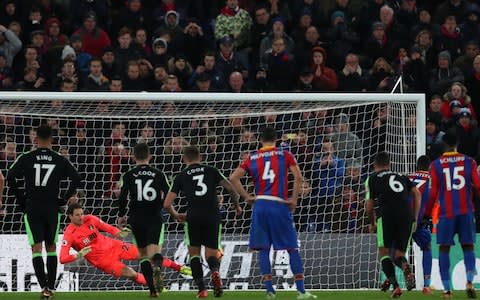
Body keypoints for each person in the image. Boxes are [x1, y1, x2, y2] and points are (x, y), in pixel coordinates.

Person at [230, 127, 317, 299]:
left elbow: (233, 178)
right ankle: (301, 291)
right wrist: (294, 199)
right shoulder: (285, 155)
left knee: (263, 248)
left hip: (260, 205)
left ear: (260, 140)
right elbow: (298, 177)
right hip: (278, 204)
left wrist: (247, 197)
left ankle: (269, 290)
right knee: (292, 248)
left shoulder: (252, 157)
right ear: (276, 140)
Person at [7, 124, 81, 298]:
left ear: (35, 138)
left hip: (33, 206)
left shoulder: (26, 157)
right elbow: (76, 178)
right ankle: (52, 287)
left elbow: (10, 176)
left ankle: (44, 288)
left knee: (36, 248)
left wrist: (21, 198)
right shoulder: (59, 158)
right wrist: (64, 198)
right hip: (51, 207)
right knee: (52, 247)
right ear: (52, 139)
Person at [164, 145, 241, 298]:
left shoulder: (181, 176)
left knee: (194, 255)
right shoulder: (211, 170)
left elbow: (166, 204)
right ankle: (215, 272)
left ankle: (202, 290)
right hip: (213, 216)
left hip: (193, 217)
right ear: (200, 157)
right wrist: (236, 206)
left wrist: (175, 214)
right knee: (211, 254)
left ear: (184, 159)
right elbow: (231, 189)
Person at [116, 143, 191, 297]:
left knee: (143, 255)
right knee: (155, 253)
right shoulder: (158, 173)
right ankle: (157, 267)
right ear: (150, 156)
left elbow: (122, 197)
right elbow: (169, 194)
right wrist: (174, 214)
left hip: (136, 218)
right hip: (155, 217)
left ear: (133, 156)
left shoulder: (128, 175)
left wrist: (121, 215)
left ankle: (152, 290)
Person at [425, 133, 479, 299]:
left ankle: (447, 290)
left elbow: (433, 193)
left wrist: (426, 213)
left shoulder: (435, 165)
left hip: (446, 213)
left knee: (443, 249)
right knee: (468, 247)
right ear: (457, 144)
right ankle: (469, 280)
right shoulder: (469, 161)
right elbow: (478, 185)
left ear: (443, 145)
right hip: (466, 211)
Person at [365, 151, 420, 298]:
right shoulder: (402, 176)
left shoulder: (372, 178)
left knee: (384, 253)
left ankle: (395, 286)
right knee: (399, 254)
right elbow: (417, 193)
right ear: (390, 165)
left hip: (386, 215)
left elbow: (369, 206)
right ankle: (405, 267)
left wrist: (372, 223)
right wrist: (414, 218)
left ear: (374, 165)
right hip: (406, 215)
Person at [60, 204, 146, 287]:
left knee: (144, 253)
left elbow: (108, 227)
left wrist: (119, 233)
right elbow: (62, 258)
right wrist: (79, 255)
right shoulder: (69, 234)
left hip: (113, 246)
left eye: (82, 214)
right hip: (103, 260)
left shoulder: (90, 219)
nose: (81, 217)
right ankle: (153, 283)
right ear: (70, 216)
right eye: (77, 215)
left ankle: (158, 270)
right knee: (130, 273)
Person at [410, 155, 434, 295]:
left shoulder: (407, 177)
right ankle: (426, 285)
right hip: (419, 220)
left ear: (416, 166)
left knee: (399, 249)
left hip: (402, 220)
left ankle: (394, 282)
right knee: (427, 247)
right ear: (429, 167)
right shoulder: (430, 180)